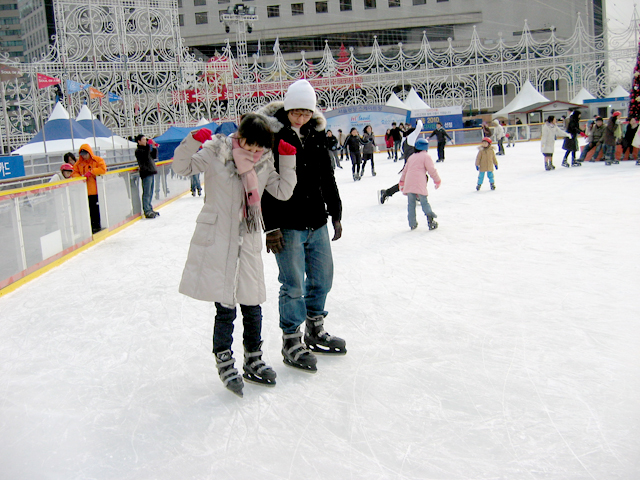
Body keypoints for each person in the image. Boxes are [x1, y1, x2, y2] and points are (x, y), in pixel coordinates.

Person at [172, 114, 298, 397]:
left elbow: (283, 191)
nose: (254, 153)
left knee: (253, 304)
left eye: (260, 148)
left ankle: (253, 357)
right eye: (250, 146)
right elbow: (182, 167)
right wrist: (192, 142)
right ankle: (224, 358)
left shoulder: (264, 161)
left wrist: (287, 161)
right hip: (220, 238)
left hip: (249, 238)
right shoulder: (217, 152)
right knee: (225, 306)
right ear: (240, 137)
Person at [257, 79, 345, 373]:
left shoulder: (315, 135)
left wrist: (336, 213)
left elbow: (327, 177)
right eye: (296, 112)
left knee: (323, 278)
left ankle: (315, 328)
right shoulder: (271, 135)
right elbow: (264, 183)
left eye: (306, 112)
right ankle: (291, 339)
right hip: (288, 224)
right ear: (287, 107)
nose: (301, 118)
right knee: (293, 285)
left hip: (316, 220)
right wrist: (271, 227)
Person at [399, 138, 440, 230]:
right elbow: (431, 170)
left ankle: (412, 223)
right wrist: (437, 180)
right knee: (424, 202)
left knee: (411, 204)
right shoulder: (426, 156)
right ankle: (430, 220)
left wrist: (402, 182)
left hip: (409, 183)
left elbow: (405, 171)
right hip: (419, 183)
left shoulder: (411, 157)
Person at [379, 120, 423, 204]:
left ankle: (387, 192)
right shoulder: (411, 138)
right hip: (412, 166)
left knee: (408, 182)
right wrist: (419, 121)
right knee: (422, 178)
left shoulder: (404, 141)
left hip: (409, 165)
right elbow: (419, 127)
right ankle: (417, 195)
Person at [72, 144, 107, 234]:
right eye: (82, 155)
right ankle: (90, 226)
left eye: (85, 154)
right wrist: (81, 178)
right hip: (84, 191)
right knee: (87, 210)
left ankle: (97, 226)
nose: (84, 156)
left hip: (95, 190)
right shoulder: (78, 164)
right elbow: (74, 173)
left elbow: (103, 169)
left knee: (96, 210)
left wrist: (91, 172)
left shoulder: (97, 160)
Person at [135, 134, 160, 218]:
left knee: (150, 192)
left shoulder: (146, 149)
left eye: (146, 139)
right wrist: (149, 145)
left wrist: (154, 147)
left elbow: (154, 156)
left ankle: (149, 208)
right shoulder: (139, 151)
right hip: (146, 173)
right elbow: (145, 156)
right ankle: (147, 210)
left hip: (151, 172)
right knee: (146, 192)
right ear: (139, 141)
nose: (145, 141)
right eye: (143, 140)